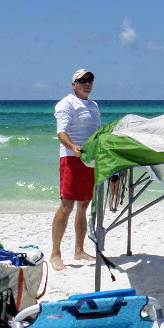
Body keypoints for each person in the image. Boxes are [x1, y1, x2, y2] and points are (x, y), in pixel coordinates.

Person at [50, 69, 101, 271]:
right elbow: (61, 133)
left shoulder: (93, 105)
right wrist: (73, 147)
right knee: (67, 205)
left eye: (90, 80)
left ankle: (79, 250)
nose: (87, 83)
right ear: (74, 84)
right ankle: (55, 253)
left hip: (90, 160)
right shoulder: (66, 104)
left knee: (84, 204)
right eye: (82, 80)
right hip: (71, 158)